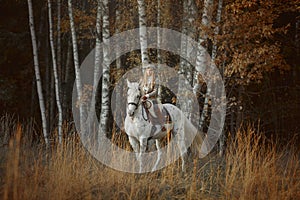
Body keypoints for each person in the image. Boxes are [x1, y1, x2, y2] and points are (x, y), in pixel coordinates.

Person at [140, 64, 167, 132]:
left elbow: (155, 91)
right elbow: (139, 89)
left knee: (155, 108)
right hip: (142, 98)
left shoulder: (156, 80)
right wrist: (142, 95)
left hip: (152, 98)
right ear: (146, 71)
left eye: (151, 70)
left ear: (153, 72)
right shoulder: (142, 80)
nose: (149, 72)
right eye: (148, 70)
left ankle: (162, 124)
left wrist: (147, 96)